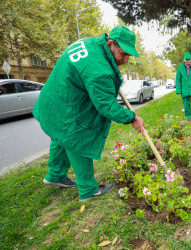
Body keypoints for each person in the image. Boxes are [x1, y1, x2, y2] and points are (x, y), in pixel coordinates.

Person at [33, 26, 145, 202]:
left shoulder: (88, 42)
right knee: (77, 139)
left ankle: (55, 174)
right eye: (124, 54)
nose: (126, 60)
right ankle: (88, 189)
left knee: (61, 136)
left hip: (53, 101)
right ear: (110, 44)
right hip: (65, 107)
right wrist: (132, 118)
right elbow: (107, 106)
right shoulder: (100, 71)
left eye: (129, 55)